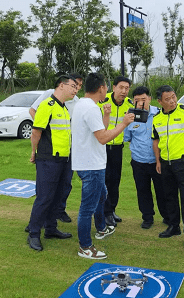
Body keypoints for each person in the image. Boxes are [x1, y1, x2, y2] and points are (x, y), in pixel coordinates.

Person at [72, 72, 134, 259]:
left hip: (91, 162)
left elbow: (101, 130)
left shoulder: (85, 105)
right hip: (91, 165)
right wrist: (123, 123)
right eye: (106, 86)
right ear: (101, 88)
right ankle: (85, 247)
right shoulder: (90, 108)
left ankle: (101, 228)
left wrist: (106, 114)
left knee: (102, 195)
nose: (107, 89)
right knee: (87, 207)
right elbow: (103, 138)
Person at [26, 75, 78, 251]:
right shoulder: (47, 106)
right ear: (61, 86)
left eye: (77, 87)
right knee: (44, 197)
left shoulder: (63, 108)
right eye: (73, 86)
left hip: (65, 159)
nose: (76, 90)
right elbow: (36, 132)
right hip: (48, 159)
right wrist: (34, 152)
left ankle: (51, 228)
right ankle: (33, 233)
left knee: (58, 195)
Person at [152, 85, 184, 252]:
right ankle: (174, 227)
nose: (172, 101)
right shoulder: (156, 118)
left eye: (173, 97)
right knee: (170, 197)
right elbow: (156, 140)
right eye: (168, 99)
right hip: (166, 164)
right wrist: (158, 160)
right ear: (159, 101)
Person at [123, 86, 168, 229]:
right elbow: (127, 137)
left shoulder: (160, 114)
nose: (141, 103)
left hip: (158, 161)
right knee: (142, 190)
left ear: (149, 98)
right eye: (137, 100)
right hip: (138, 161)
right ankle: (147, 218)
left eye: (143, 99)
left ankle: (167, 216)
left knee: (163, 190)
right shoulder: (130, 117)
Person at [98, 76, 134, 227]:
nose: (124, 91)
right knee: (103, 181)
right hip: (102, 147)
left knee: (115, 181)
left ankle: (111, 210)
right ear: (113, 88)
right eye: (121, 87)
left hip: (118, 148)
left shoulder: (129, 104)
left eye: (127, 88)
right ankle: (104, 213)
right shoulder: (102, 101)